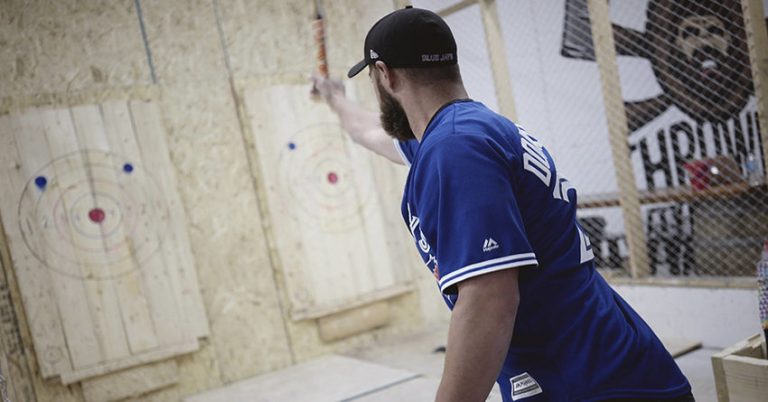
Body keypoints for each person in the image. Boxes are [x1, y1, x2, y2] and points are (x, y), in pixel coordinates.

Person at [312, 6, 694, 402]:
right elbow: (369, 131)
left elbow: (489, 301)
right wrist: (334, 98)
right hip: (605, 370)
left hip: (593, 385)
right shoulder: (469, 132)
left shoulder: (455, 149)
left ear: (385, 75)